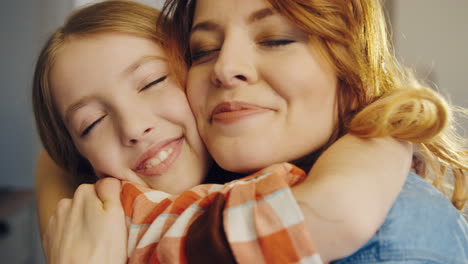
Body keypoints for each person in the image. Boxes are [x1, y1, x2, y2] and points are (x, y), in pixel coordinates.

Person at [34, 0, 467, 263]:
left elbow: (339, 215)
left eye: (276, 39)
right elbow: (52, 161)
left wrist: (382, 136)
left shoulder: (396, 225)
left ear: (353, 72)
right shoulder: (141, 214)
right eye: (204, 50)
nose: (225, 68)